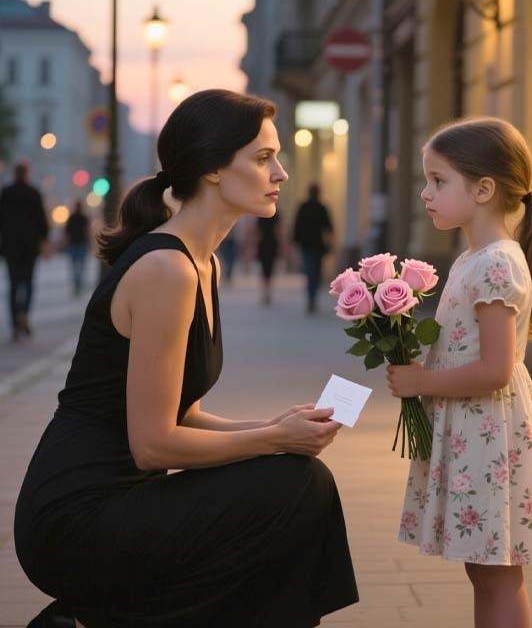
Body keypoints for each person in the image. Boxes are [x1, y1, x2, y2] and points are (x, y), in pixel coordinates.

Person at [15, 90, 358, 628]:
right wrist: (273, 440)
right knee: (297, 483)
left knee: (296, 475)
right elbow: (153, 445)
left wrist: (275, 427)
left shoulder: (203, 264)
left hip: (125, 498)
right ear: (216, 168)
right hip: (77, 517)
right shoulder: (167, 270)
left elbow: (184, 413)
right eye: (264, 158)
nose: (282, 174)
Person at [386, 116, 532, 628]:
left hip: (488, 433)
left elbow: (495, 369)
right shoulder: (475, 258)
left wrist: (423, 381)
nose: (427, 192)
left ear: (484, 188)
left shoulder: (495, 264)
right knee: (484, 568)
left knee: (497, 571)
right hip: (473, 430)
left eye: (439, 181)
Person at [0, 160, 49, 341]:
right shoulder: (34, 193)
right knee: (28, 283)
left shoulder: (6, 193)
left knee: (13, 285)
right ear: (27, 173)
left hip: (11, 246)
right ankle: (25, 314)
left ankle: (14, 324)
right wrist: (43, 240)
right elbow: (42, 221)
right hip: (29, 247)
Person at [293, 183, 333, 313]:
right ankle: (312, 295)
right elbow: (328, 228)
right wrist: (330, 242)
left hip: (306, 244)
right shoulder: (322, 208)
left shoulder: (303, 207)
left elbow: (297, 226)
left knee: (309, 269)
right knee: (315, 270)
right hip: (317, 244)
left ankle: (311, 296)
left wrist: (296, 241)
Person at [64, 200, 90, 296]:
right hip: (82, 244)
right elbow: (87, 232)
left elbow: (67, 232)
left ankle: (76, 285)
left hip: (73, 244)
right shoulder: (84, 218)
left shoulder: (71, 218)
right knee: (81, 266)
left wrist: (66, 243)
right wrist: (88, 242)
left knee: (74, 266)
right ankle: (78, 284)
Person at [256, 211, 280, 304]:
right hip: (272, 243)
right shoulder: (276, 214)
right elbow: (278, 230)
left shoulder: (261, 214)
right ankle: (268, 292)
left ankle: (265, 292)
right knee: (270, 269)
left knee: (264, 269)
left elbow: (258, 231)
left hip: (263, 244)